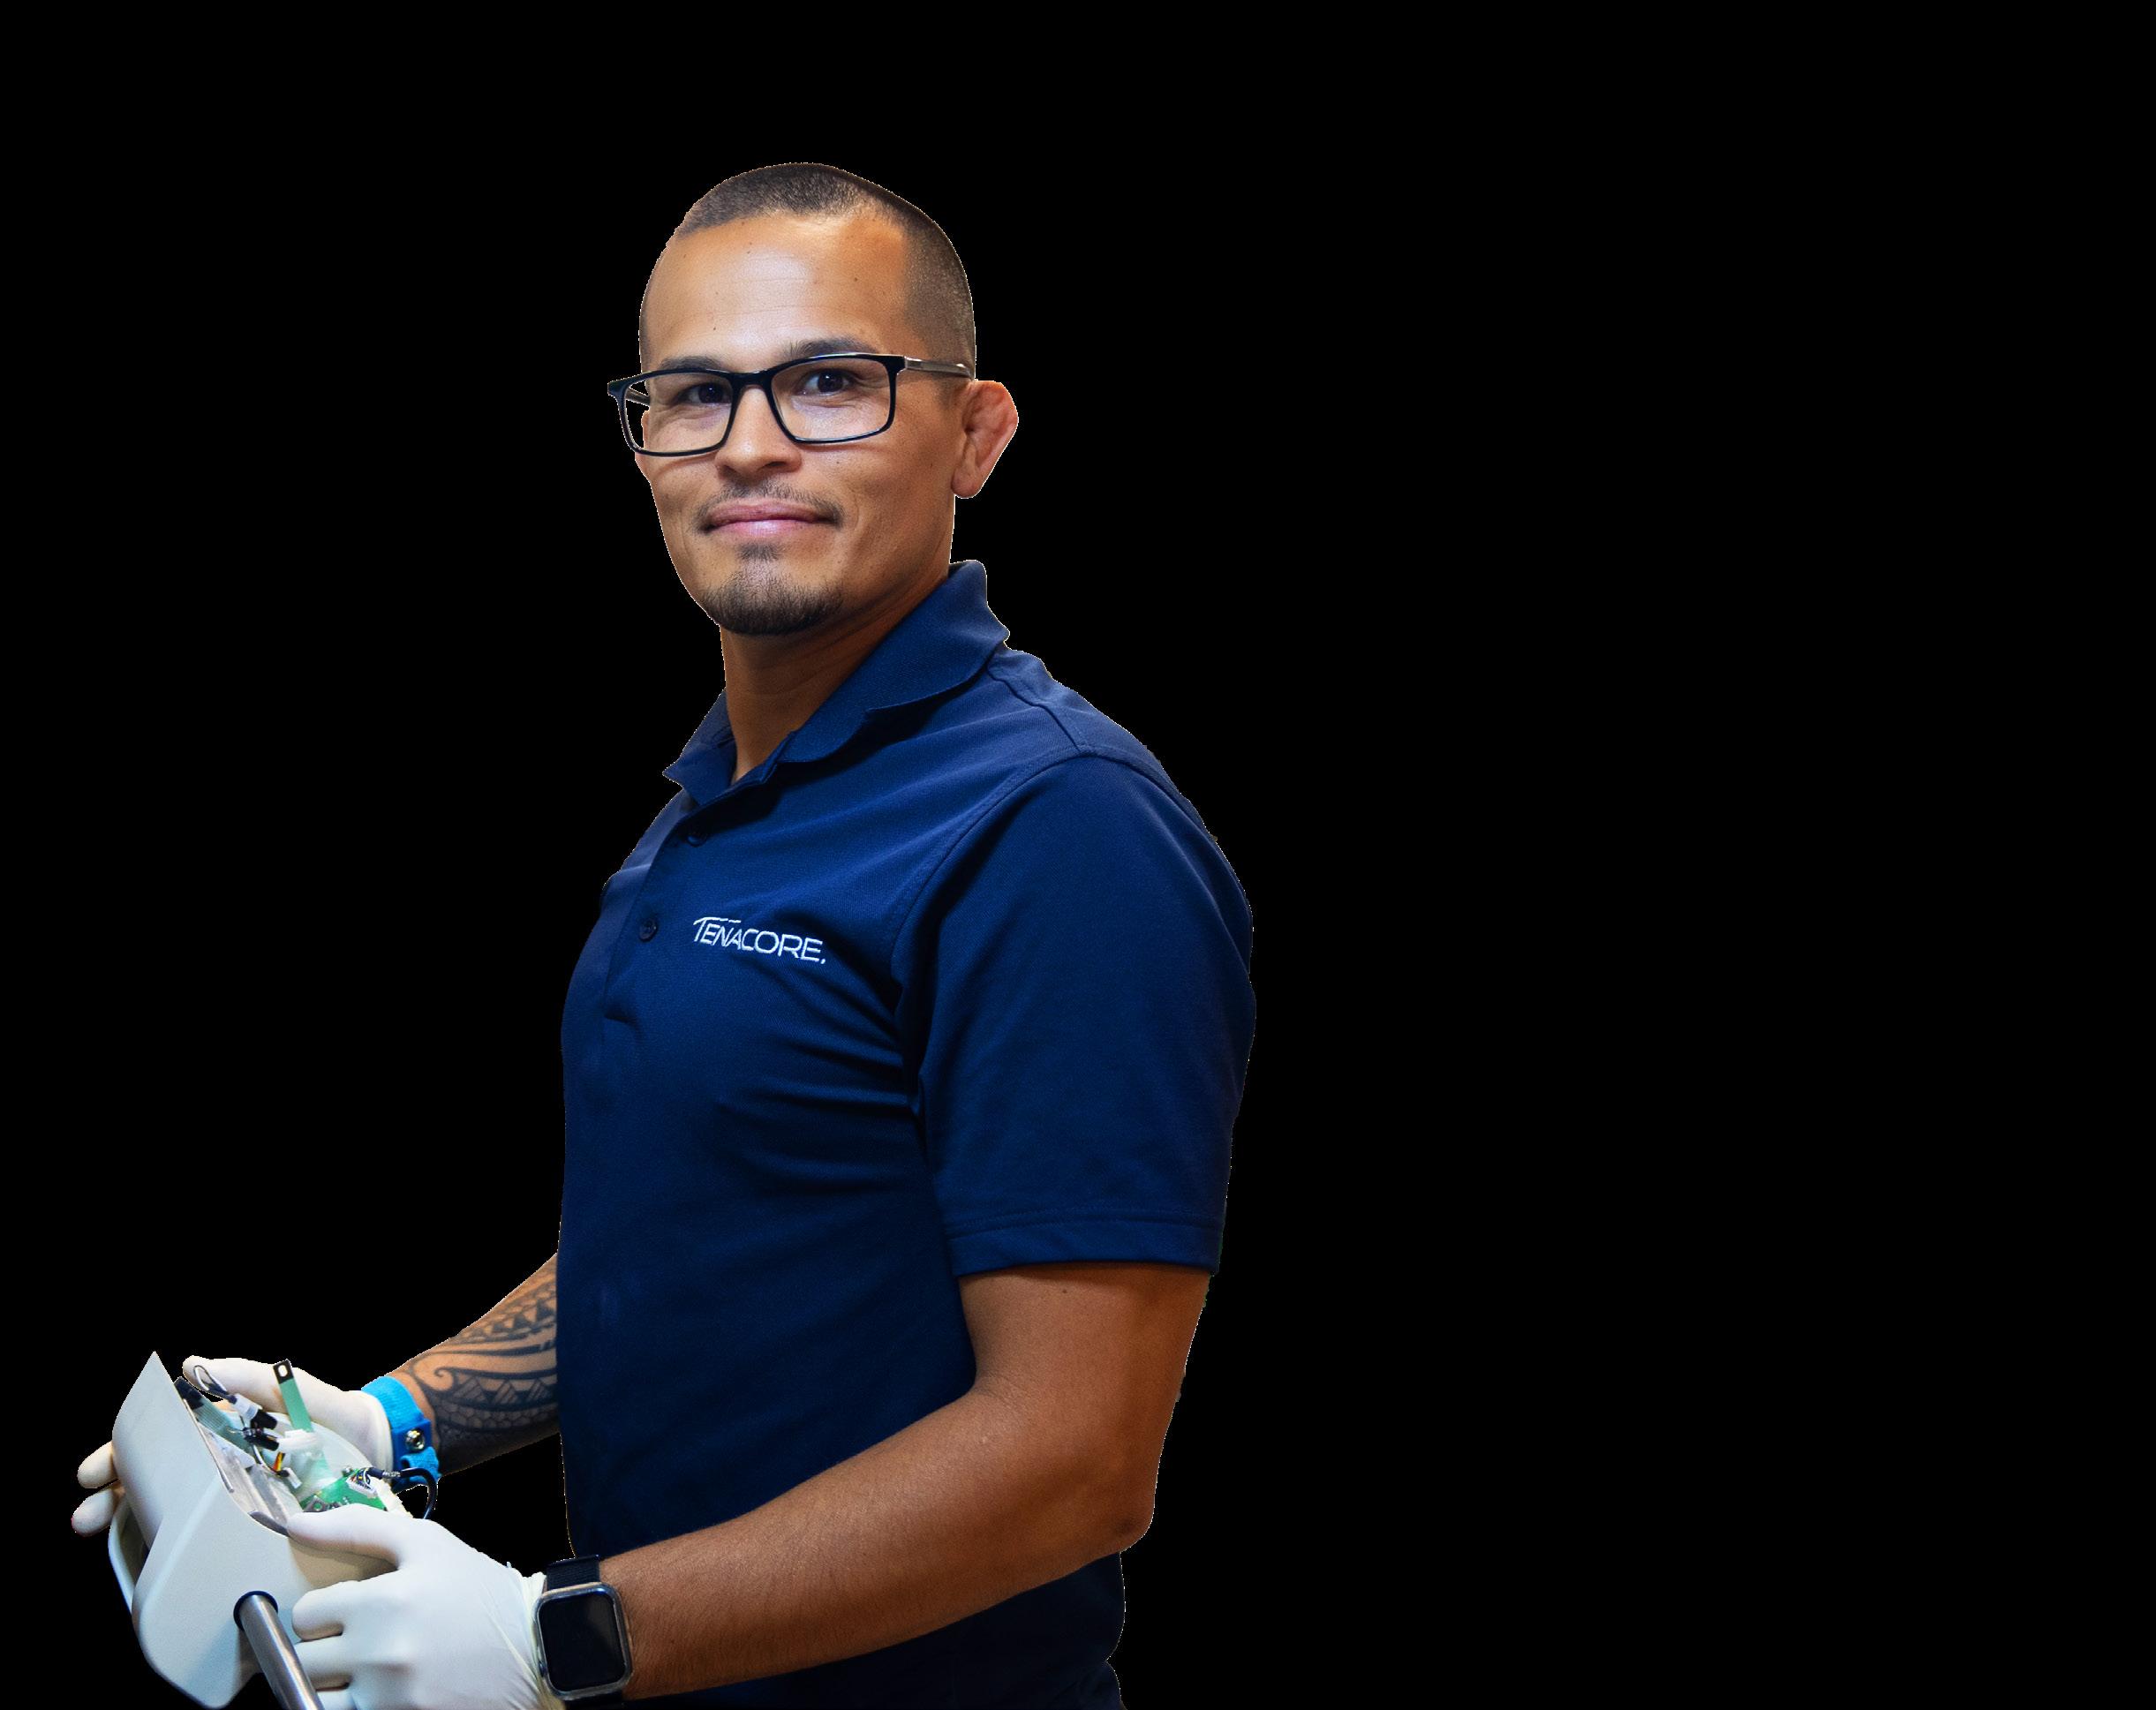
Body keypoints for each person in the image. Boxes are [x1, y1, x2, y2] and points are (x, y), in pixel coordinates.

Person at [72, 161, 1255, 1709]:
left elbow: (1074, 1461)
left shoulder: (1055, 824)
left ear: (974, 433)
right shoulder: (715, 801)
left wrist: (557, 1636)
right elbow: (704, 1218)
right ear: (643, 444)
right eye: (694, 394)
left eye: (829, 381)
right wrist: (384, 1420)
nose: (749, 443)